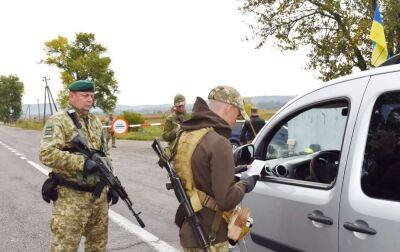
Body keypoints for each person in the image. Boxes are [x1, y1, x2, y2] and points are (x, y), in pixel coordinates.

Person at [172, 85, 259, 251]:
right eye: (237, 113)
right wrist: (245, 184)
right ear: (228, 108)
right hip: (211, 236)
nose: (237, 119)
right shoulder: (219, 142)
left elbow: (198, 173)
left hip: (191, 231)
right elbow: (226, 200)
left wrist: (233, 170)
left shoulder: (189, 135)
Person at [39, 80, 118, 251]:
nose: (89, 99)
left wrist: (113, 183)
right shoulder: (59, 120)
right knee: (65, 248)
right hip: (71, 199)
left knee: (97, 247)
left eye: (91, 96)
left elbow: (106, 156)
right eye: (85, 96)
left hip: (98, 199)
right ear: (71, 96)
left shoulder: (95, 122)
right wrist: (81, 163)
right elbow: (46, 153)